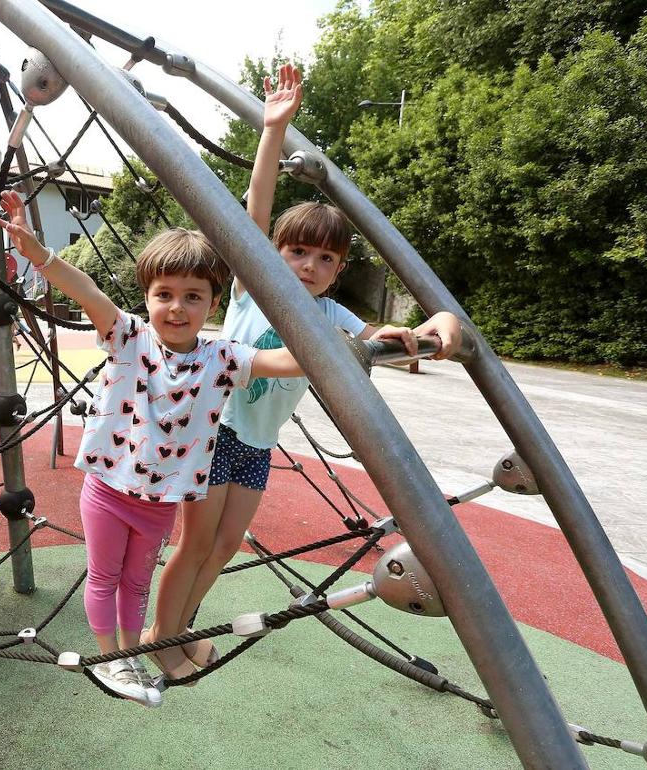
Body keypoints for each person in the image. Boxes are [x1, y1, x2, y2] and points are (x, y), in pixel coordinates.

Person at [147, 64, 462, 681]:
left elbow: (386, 337)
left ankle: (183, 630)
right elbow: (253, 212)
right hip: (214, 431)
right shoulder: (253, 287)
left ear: (338, 270)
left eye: (325, 258)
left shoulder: (328, 313)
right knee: (194, 544)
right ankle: (160, 638)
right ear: (276, 253)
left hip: (259, 442)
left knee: (226, 546)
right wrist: (272, 132)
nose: (308, 265)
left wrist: (438, 326)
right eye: (297, 251)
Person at [0, 190, 318, 707]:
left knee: (138, 583)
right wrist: (38, 252)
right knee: (105, 576)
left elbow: (289, 362)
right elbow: (85, 289)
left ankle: (130, 650)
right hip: (108, 488)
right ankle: (109, 659)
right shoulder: (128, 336)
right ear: (147, 296)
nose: (177, 307)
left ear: (213, 303)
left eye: (193, 296)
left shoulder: (224, 357)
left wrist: (360, 345)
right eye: (164, 293)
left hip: (162, 501)